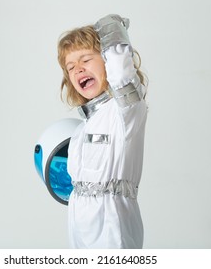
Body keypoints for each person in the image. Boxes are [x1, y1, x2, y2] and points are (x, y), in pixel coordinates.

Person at [57, 14, 148, 249]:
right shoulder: (82, 129)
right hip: (80, 225)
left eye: (86, 59)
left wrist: (110, 26)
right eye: (71, 67)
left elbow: (122, 75)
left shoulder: (125, 110)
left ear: (107, 60)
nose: (78, 69)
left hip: (113, 224)